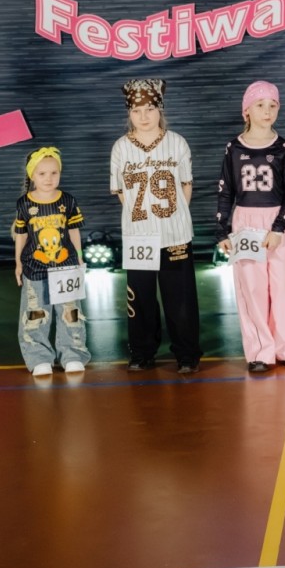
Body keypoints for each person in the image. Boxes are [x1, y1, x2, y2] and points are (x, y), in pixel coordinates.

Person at [215, 81, 285, 373]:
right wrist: (222, 230)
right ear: (247, 110)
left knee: (284, 285)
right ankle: (259, 352)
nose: (267, 111)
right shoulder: (233, 148)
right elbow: (225, 191)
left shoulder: (284, 148)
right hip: (245, 222)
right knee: (252, 287)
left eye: (273, 105)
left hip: (277, 223)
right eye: (260, 105)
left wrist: (279, 228)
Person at [110, 79, 203, 373]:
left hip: (175, 233)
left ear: (160, 109)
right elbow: (122, 193)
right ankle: (142, 352)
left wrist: (173, 217)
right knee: (140, 298)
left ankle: (187, 353)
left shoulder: (176, 142)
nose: (144, 116)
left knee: (180, 298)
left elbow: (186, 186)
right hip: (139, 236)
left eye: (150, 109)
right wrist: (143, 219)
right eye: (137, 111)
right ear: (129, 114)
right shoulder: (121, 148)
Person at [12, 146, 90, 376]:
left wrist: (79, 257)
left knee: (70, 311)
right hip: (34, 267)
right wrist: (18, 263)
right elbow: (21, 235)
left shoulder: (67, 200)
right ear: (32, 175)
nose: (48, 178)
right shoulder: (24, 203)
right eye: (42, 173)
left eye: (54, 173)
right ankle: (38, 357)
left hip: (65, 266)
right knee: (35, 312)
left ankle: (73, 354)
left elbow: (74, 231)